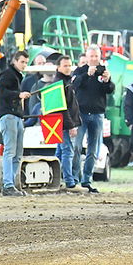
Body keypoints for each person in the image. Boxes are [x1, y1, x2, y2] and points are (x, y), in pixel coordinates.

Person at [72, 45, 115, 193]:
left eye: (96, 56)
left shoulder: (103, 71)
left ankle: (87, 180)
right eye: (91, 56)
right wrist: (87, 75)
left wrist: (107, 80)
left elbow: (110, 90)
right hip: (82, 114)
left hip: (97, 114)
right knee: (77, 147)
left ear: (99, 57)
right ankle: (74, 180)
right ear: (87, 57)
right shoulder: (80, 71)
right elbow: (75, 85)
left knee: (93, 149)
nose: (93, 59)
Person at [0, 51, 31, 197]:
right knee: (10, 151)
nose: (24, 65)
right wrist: (18, 95)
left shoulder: (17, 76)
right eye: (22, 62)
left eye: (26, 62)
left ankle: (11, 184)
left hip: (16, 116)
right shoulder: (8, 74)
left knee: (17, 154)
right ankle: (8, 185)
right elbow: (0, 91)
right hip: (8, 116)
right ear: (15, 61)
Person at [53, 55, 82, 189]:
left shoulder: (66, 82)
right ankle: (69, 181)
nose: (68, 68)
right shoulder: (61, 83)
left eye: (70, 65)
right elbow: (62, 107)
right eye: (65, 66)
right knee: (67, 151)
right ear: (58, 67)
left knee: (60, 152)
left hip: (62, 123)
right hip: (64, 123)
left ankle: (54, 178)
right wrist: (71, 125)